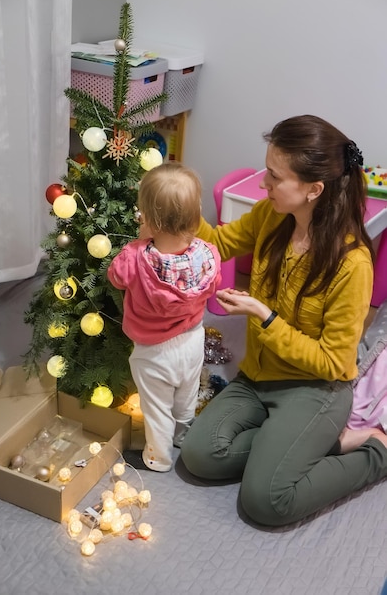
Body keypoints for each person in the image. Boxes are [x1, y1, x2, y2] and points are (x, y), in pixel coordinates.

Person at [180, 114, 387, 526]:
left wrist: (264, 315)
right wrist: (178, 206)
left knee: (267, 500)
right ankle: (304, 445)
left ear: (314, 189)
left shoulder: (352, 263)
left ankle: (375, 452)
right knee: (198, 455)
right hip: (257, 377)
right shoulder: (271, 216)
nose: (264, 184)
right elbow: (218, 243)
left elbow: (334, 363)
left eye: (275, 177)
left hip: (315, 389)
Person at [108, 162, 221, 472]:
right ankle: (183, 435)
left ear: (147, 219)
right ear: (196, 216)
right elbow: (213, 286)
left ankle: (158, 458)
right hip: (193, 340)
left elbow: (116, 277)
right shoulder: (208, 255)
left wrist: (141, 239)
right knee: (186, 393)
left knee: (156, 408)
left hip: (153, 352)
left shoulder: (135, 256)